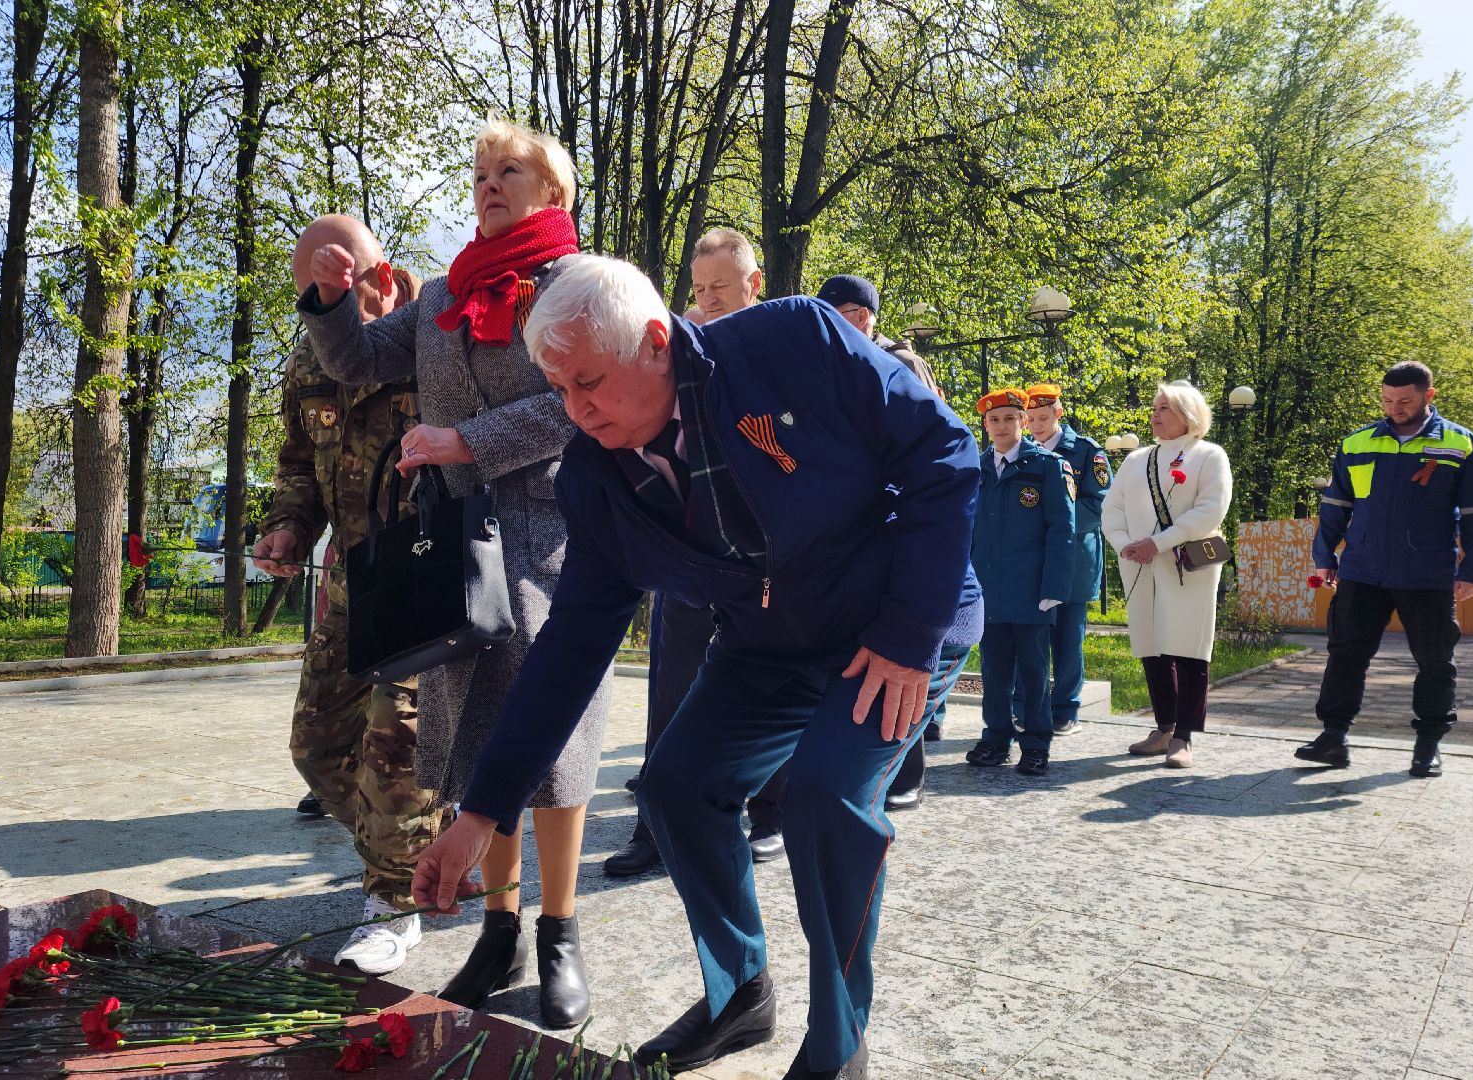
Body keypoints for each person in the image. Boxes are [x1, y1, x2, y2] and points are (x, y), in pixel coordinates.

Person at [411, 254, 980, 1080]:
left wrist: (907, 635)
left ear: (654, 342)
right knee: (676, 787)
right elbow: (570, 646)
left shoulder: (794, 340)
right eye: (559, 388)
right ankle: (738, 992)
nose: (576, 410)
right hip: (766, 647)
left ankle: (838, 1041)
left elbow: (943, 453)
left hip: (890, 621)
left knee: (827, 794)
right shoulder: (594, 479)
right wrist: (483, 811)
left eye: (589, 382)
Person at [296, 119, 605, 1029]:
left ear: (553, 193)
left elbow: (577, 401)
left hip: (551, 534)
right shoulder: (442, 296)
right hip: (458, 545)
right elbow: (356, 360)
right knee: (479, 740)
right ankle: (499, 931)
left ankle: (559, 935)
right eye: (478, 172)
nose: (488, 184)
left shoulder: (577, 287)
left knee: (555, 745)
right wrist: (331, 300)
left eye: (510, 171)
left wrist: (464, 438)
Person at [253, 216, 445, 975]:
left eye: (337, 284)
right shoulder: (308, 358)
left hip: (429, 573)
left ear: (382, 276)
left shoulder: (436, 338)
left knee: (393, 740)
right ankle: (420, 843)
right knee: (317, 748)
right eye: (311, 288)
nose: (323, 299)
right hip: (350, 582)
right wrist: (288, 529)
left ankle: (393, 903)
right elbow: (297, 462)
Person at [605, 227, 782, 878]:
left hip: (769, 553)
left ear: (753, 284)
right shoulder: (675, 344)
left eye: (721, 288)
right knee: (671, 686)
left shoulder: (781, 344)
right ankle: (653, 829)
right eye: (698, 288)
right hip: (689, 550)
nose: (706, 300)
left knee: (773, 682)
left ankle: (770, 814)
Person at [812, 273, 981, 811]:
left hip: (905, 534)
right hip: (878, 536)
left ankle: (900, 775)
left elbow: (933, 459)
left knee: (902, 656)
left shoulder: (895, 366)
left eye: (833, 313)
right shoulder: (853, 359)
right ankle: (895, 771)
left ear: (861, 316)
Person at [1296, 361, 1473, 776]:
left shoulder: (1459, 444)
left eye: (1405, 401)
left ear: (1429, 395)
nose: (1395, 408)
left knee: (1435, 659)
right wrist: (1324, 555)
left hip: (1427, 572)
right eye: (1388, 400)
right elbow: (1336, 504)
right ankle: (1333, 737)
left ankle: (1428, 745)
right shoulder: (1358, 443)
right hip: (1363, 568)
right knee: (1345, 654)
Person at [1101, 381, 1232, 768]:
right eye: (1155, 407)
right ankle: (1163, 727)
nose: (1154, 415)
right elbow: (1113, 508)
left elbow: (1210, 511)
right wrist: (1125, 544)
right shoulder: (1136, 460)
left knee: (1188, 646)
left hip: (1186, 565)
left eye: (1164, 408)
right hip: (1140, 564)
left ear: (1188, 414)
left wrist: (1157, 543)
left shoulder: (1210, 455)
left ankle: (1184, 737)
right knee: (1151, 644)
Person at [964, 389, 1075, 777]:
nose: (1001, 426)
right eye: (994, 420)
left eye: (1009, 418)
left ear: (1024, 422)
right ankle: (996, 739)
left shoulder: (1047, 467)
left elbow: (1063, 531)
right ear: (985, 425)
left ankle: (1036, 744)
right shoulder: (975, 468)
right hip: (988, 590)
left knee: (1032, 671)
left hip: (1030, 591)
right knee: (994, 672)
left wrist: (1054, 589)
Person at [1020, 383, 1112, 735]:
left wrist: (1057, 519)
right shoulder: (1022, 451)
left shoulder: (1087, 452)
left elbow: (1100, 503)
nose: (1037, 425)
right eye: (1031, 419)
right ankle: (1029, 703)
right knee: (1028, 635)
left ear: (1059, 414)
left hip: (1074, 560)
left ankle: (1066, 708)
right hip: (1033, 561)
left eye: (1043, 417)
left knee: (1068, 639)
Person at [815, 273, 939, 394]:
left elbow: (930, 414)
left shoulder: (906, 365)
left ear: (861, 317)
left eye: (829, 314)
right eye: (818, 314)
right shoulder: (821, 366)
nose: (821, 321)